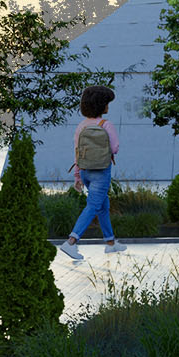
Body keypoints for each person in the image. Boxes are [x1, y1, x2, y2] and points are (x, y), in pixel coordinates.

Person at [58, 84, 126, 260]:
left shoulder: (81, 126)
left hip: (85, 172)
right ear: (101, 105)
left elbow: (78, 152)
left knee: (103, 206)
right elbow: (115, 148)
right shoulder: (106, 125)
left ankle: (110, 243)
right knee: (93, 206)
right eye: (107, 103)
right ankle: (71, 242)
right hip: (101, 173)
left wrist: (77, 176)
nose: (108, 106)